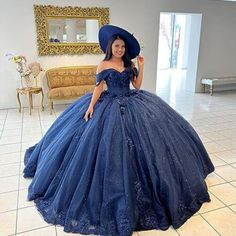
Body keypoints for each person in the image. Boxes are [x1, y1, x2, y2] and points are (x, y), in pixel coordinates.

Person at [23, 25, 214, 236]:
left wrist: (142, 66)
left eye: (123, 46)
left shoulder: (129, 64)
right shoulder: (103, 64)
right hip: (109, 105)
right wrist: (90, 107)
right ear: (110, 47)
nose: (120, 49)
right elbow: (98, 88)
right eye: (116, 46)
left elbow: (137, 85)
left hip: (133, 103)